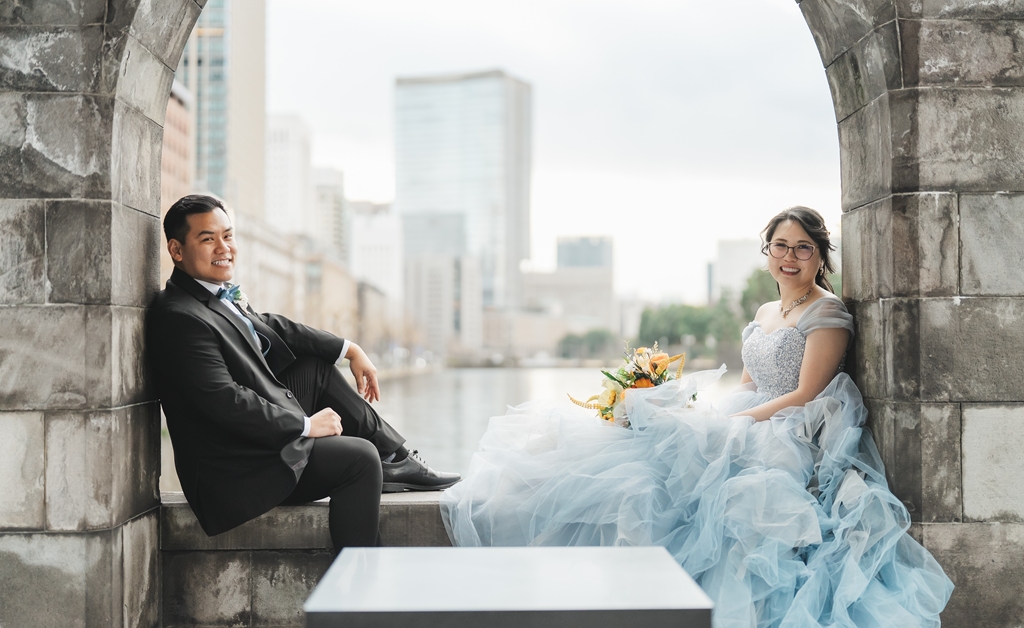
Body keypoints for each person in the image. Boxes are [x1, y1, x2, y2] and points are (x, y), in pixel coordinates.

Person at [440, 207, 952, 628]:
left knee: (736, 505)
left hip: (795, 430)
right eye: (781, 246)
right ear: (767, 253)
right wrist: (707, 413)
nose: (790, 257)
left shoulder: (828, 312)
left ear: (820, 256)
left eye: (803, 248)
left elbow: (804, 392)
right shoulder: (765, 313)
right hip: (754, 412)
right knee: (647, 463)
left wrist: (738, 424)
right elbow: (750, 383)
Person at [148, 194, 459, 553]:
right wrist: (307, 426)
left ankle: (399, 460)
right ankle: (359, 591)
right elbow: (225, 402)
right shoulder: (180, 317)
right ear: (176, 250)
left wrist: (349, 349)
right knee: (359, 459)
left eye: (228, 235)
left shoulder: (213, 295)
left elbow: (272, 326)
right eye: (208, 239)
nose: (224, 247)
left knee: (315, 368)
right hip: (237, 468)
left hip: (254, 438)